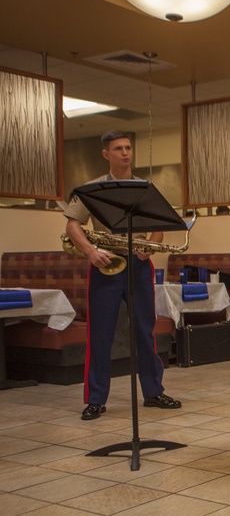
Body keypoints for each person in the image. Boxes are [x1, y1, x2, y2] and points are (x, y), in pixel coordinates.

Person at [64, 130, 181, 420]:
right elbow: (72, 225)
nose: (125, 153)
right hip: (106, 263)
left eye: (128, 147)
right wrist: (91, 252)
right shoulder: (90, 188)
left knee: (145, 330)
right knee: (100, 334)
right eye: (118, 148)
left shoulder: (145, 187)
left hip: (140, 264)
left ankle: (153, 392)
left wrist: (150, 246)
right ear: (106, 154)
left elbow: (158, 225)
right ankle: (95, 399)